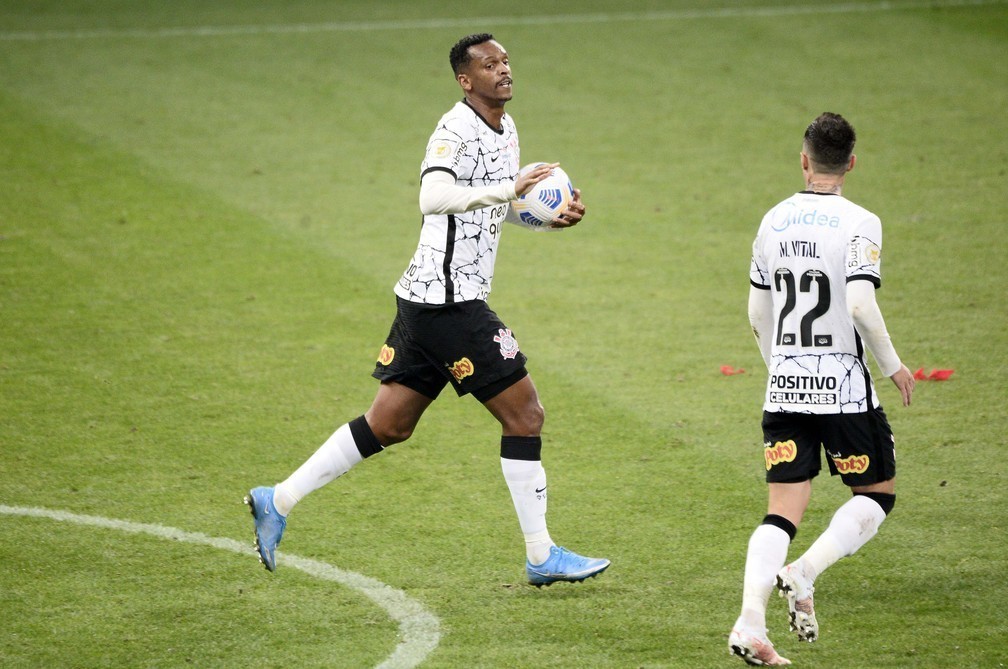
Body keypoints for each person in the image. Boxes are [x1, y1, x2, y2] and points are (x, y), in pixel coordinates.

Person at [244, 33, 609, 587]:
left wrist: (537, 214)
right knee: (525, 415)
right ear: (466, 80)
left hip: (427, 300)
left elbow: (482, 206)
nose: (503, 70)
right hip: (448, 303)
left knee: (388, 425)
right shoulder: (453, 131)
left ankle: (279, 498)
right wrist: (509, 187)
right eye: (490, 65)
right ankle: (541, 555)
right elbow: (434, 198)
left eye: (506, 61)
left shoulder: (505, 127)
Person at [728, 112, 915, 665]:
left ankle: (750, 622)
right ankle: (804, 572)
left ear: (804, 160)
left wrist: (779, 366)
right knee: (876, 495)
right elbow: (859, 303)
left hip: (784, 384)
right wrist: (894, 367)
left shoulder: (772, 220)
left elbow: (757, 310)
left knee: (781, 512)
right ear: (851, 163)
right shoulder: (862, 222)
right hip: (842, 387)